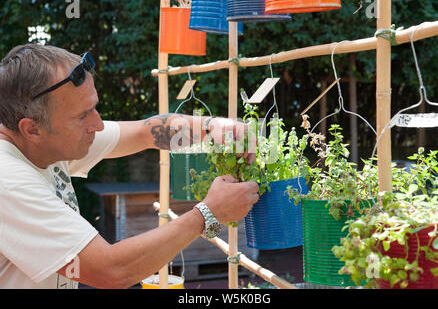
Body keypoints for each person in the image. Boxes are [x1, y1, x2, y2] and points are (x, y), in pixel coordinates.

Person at [0, 44, 259, 289]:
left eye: (94, 108)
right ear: (31, 129)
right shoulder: (8, 181)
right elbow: (110, 270)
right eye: (82, 116)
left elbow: (146, 132)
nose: (98, 124)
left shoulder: (44, 143)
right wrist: (207, 214)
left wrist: (211, 126)